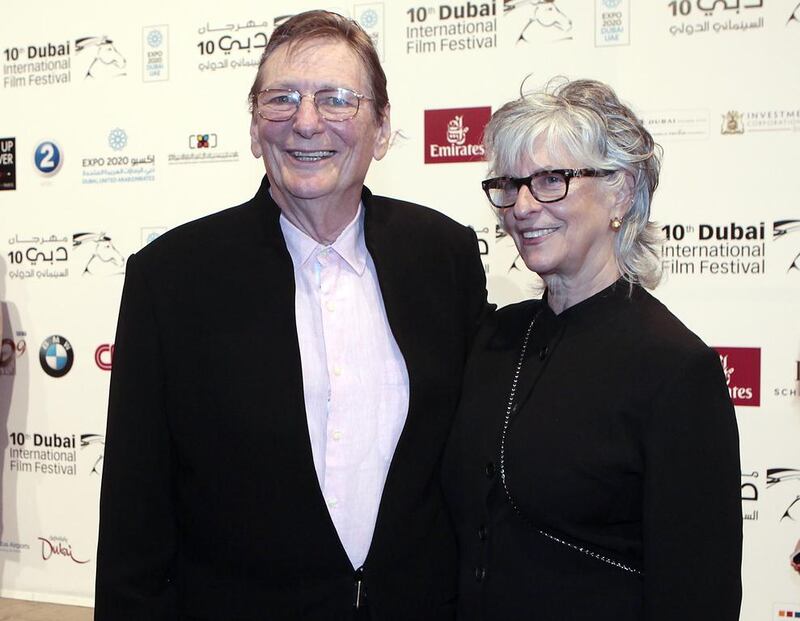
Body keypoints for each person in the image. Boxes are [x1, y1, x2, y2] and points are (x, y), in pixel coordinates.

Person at [95, 10, 487, 620]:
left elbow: (467, 479)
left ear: (381, 129)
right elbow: (134, 514)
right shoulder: (172, 278)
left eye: (336, 99)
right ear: (255, 130)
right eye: (282, 100)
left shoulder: (445, 256)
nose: (306, 122)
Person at [441, 78, 742, 620]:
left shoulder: (674, 368)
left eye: (551, 180)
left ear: (621, 193)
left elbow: (700, 593)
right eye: (509, 185)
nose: (524, 206)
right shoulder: (495, 339)